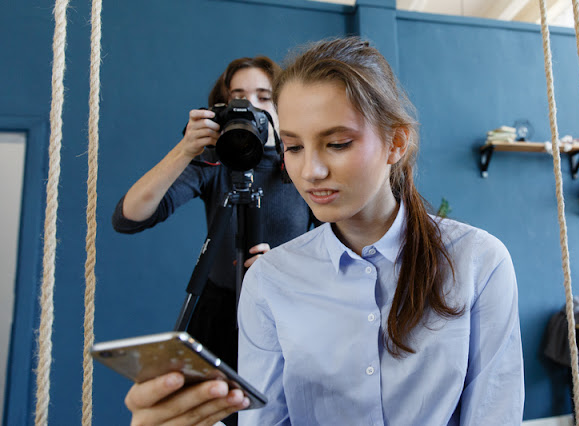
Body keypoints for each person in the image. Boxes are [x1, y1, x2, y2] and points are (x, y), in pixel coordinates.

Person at [123, 37, 524, 425]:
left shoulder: (478, 262)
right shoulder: (269, 281)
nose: (311, 172)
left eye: (337, 143)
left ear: (396, 142)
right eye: (294, 147)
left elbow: (494, 411)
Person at [114, 56, 314, 426]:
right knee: (200, 415)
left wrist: (286, 269)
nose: (249, 106)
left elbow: (331, 243)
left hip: (289, 312)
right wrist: (187, 149)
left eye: (263, 96)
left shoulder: (304, 166)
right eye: (236, 97)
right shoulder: (213, 166)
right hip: (217, 313)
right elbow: (128, 217)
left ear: (283, 105)